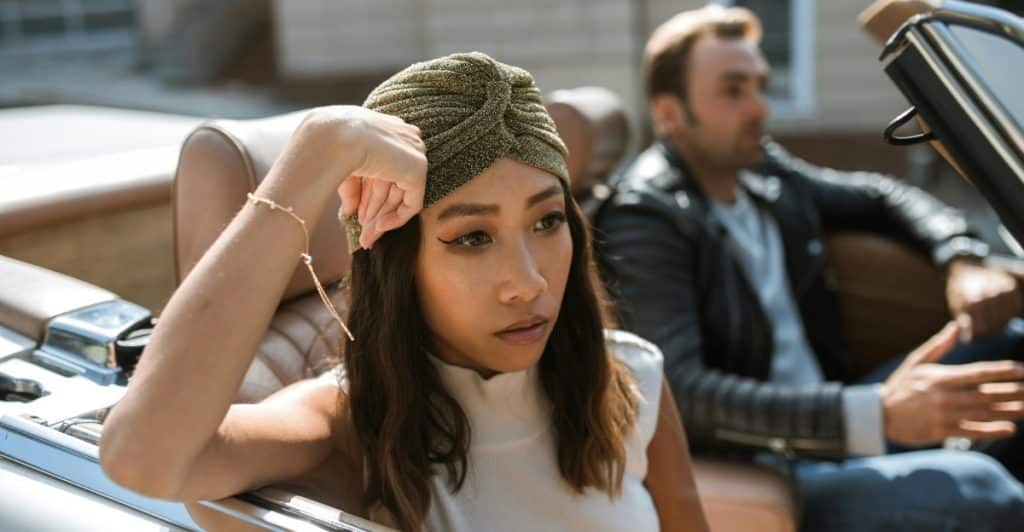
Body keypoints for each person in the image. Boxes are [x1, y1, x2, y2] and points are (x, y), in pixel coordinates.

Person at [98, 52, 709, 532]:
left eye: (547, 221)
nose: (530, 282)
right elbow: (143, 458)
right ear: (397, 265)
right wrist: (319, 151)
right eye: (472, 237)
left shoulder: (628, 378)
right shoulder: (348, 425)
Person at [595, 5, 1024, 530]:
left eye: (760, 86)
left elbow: (882, 196)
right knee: (986, 489)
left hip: (840, 415)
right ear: (669, 114)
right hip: (778, 459)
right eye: (733, 91)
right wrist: (875, 413)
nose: (759, 108)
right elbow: (680, 390)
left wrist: (962, 256)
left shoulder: (761, 173)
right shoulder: (647, 215)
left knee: (1012, 342)